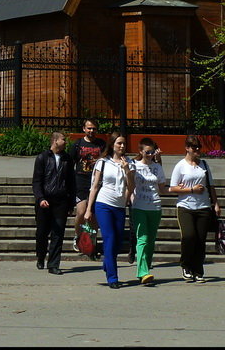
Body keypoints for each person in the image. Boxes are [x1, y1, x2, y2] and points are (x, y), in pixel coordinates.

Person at [169, 134, 221, 283]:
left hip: (203, 207)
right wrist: (191, 190)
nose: (197, 149)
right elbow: (172, 188)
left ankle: (198, 270)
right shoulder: (180, 166)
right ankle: (186, 265)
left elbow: (211, 186)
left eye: (198, 146)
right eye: (193, 147)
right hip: (185, 206)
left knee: (200, 240)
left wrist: (216, 203)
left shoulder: (204, 165)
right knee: (189, 236)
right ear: (187, 148)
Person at [86, 131, 134, 288]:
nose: (121, 146)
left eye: (124, 143)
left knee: (118, 241)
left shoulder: (129, 163)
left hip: (119, 206)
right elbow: (94, 187)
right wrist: (88, 209)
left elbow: (132, 187)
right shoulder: (103, 162)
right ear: (112, 145)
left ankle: (107, 264)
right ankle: (112, 278)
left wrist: (127, 170)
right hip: (104, 204)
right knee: (110, 237)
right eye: (119, 143)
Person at [31, 131, 76, 274]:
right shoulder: (42, 158)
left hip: (61, 201)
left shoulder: (67, 159)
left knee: (58, 233)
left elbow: (71, 182)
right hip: (45, 201)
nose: (65, 141)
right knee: (42, 233)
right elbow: (37, 181)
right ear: (55, 141)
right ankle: (40, 256)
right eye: (63, 139)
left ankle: (53, 264)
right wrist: (40, 198)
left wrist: (70, 203)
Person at [129, 137, 168, 285]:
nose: (150, 154)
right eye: (147, 152)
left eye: (152, 152)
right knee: (142, 239)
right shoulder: (134, 165)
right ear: (140, 151)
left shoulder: (157, 167)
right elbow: (129, 182)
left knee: (151, 241)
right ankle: (143, 272)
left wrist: (181, 189)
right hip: (139, 206)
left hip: (155, 206)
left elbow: (162, 187)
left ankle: (146, 267)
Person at [67, 118, 107, 255]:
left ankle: (91, 240)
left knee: (94, 215)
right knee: (81, 211)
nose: (91, 131)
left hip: (97, 183)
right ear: (84, 129)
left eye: (94, 128)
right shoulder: (77, 144)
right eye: (89, 128)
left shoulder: (101, 144)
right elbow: (70, 164)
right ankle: (78, 236)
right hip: (81, 181)